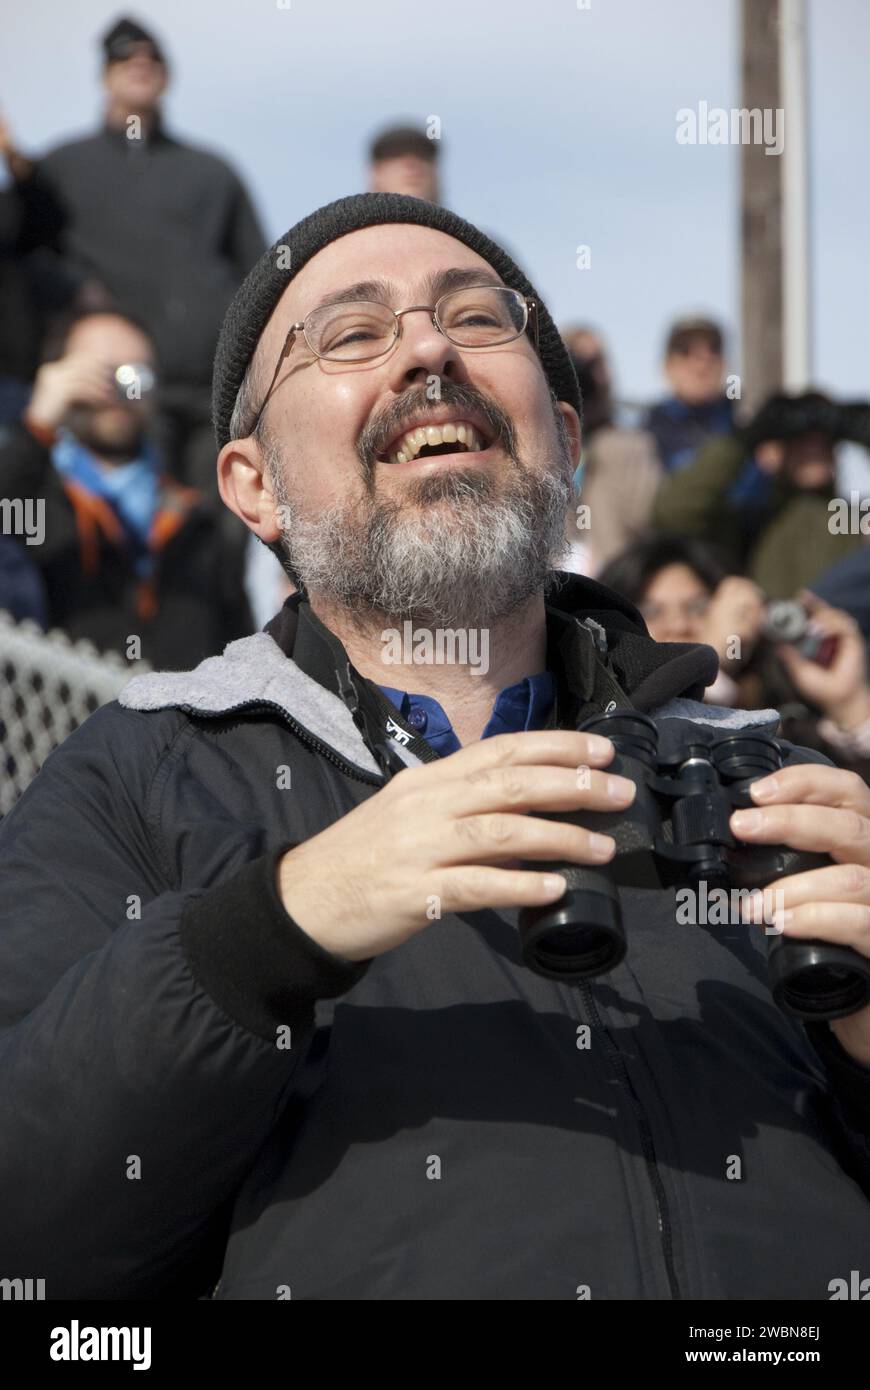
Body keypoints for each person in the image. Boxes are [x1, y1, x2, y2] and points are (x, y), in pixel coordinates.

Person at [2, 193, 870, 1302]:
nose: (426, 351)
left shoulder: (774, 783)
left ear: (562, 436)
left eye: (476, 320)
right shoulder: (136, 778)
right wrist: (270, 930)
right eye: (354, 334)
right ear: (253, 485)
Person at [1, 16, 266, 492]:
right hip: (113, 398)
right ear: (104, 77)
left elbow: (261, 275)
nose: (140, 64)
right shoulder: (58, 171)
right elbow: (20, 256)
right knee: (126, 531)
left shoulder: (213, 173)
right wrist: (75, 293)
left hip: (210, 392)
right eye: (125, 57)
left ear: (167, 76)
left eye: (152, 58)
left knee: (217, 532)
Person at [0, 307, 251, 667]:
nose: (120, 390)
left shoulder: (196, 525)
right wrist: (38, 426)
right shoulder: (38, 505)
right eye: (99, 372)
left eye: (136, 374)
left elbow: (238, 645)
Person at [599, 533, 870, 781]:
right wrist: (710, 660)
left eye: (699, 607)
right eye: (652, 611)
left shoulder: (787, 720)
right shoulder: (608, 720)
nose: (679, 624)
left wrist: (849, 704)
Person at [654, 389, 868, 597]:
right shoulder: (750, 519)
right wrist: (745, 439)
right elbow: (674, 511)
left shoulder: (854, 522)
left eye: (822, 441)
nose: (812, 449)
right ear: (775, 451)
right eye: (799, 441)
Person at [560, 325, 662, 574]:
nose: (586, 376)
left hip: (617, 588)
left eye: (595, 363)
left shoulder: (630, 446)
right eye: (576, 360)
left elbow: (648, 519)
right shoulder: (538, 446)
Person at [643, 315, 735, 473]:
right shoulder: (650, 431)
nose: (703, 362)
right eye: (685, 351)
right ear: (667, 367)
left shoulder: (742, 418)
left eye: (713, 349)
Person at [368, 123, 440, 202]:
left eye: (422, 155)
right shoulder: (352, 212)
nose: (411, 163)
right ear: (376, 171)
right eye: (395, 153)